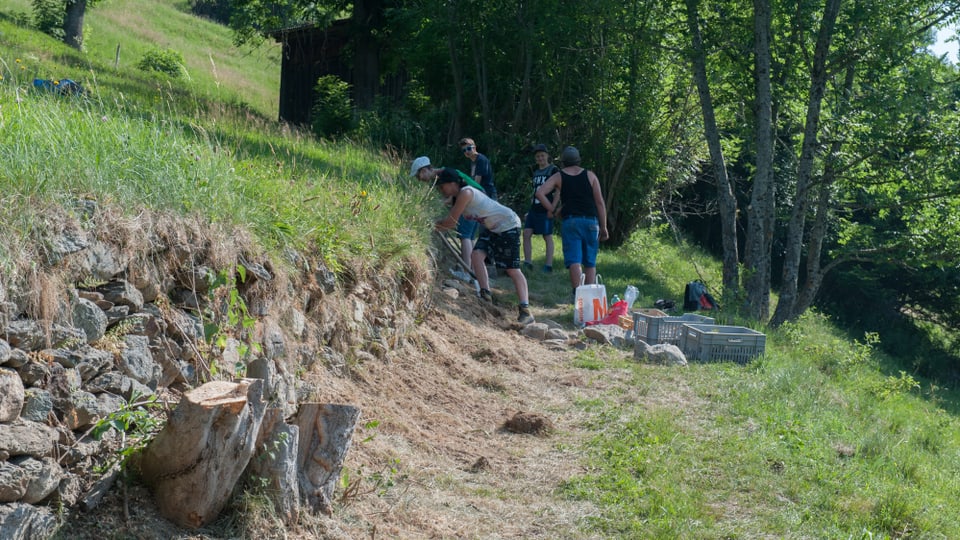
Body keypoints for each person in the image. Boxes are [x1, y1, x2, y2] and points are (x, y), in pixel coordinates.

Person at [414, 157, 535, 325]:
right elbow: (447, 217)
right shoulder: (457, 197)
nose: (441, 190)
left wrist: (427, 225)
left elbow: (450, 222)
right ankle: (486, 295)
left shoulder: (466, 193)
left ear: (452, 183)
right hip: (493, 228)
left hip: (508, 224)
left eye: (442, 186)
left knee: (511, 269)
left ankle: (525, 309)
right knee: (476, 255)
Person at [535, 146, 609, 302]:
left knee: (574, 259)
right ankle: (589, 297)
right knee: (590, 261)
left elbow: (540, 193)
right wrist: (603, 227)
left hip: (571, 221)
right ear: (578, 159)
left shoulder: (559, 176)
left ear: (563, 162)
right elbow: (600, 203)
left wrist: (552, 210)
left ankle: (577, 295)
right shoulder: (590, 176)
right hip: (591, 221)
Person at [410, 156, 479, 281]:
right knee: (469, 237)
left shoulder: (445, 174)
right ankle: (472, 271)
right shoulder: (443, 173)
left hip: (471, 203)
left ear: (424, 170)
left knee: (465, 236)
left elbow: (455, 193)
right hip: (477, 201)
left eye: (418, 175)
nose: (419, 179)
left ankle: (466, 272)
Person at [522, 144, 558, 273]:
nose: (540, 158)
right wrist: (529, 208)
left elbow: (558, 191)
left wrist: (552, 207)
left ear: (547, 155)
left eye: (542, 155)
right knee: (526, 233)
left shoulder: (554, 170)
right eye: (537, 156)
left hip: (546, 207)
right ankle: (527, 262)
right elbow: (534, 190)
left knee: (547, 235)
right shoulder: (535, 171)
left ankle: (548, 265)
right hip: (534, 208)